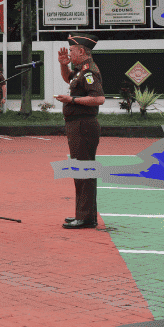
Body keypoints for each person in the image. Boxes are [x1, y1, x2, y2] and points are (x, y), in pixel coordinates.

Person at [54, 34, 105, 230]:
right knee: (81, 170)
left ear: (82, 51)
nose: (70, 53)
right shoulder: (81, 70)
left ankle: (85, 217)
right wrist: (63, 64)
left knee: (83, 171)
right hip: (78, 125)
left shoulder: (90, 71)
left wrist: (72, 100)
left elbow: (99, 99)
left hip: (83, 125)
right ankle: (85, 214)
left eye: (72, 51)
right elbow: (69, 78)